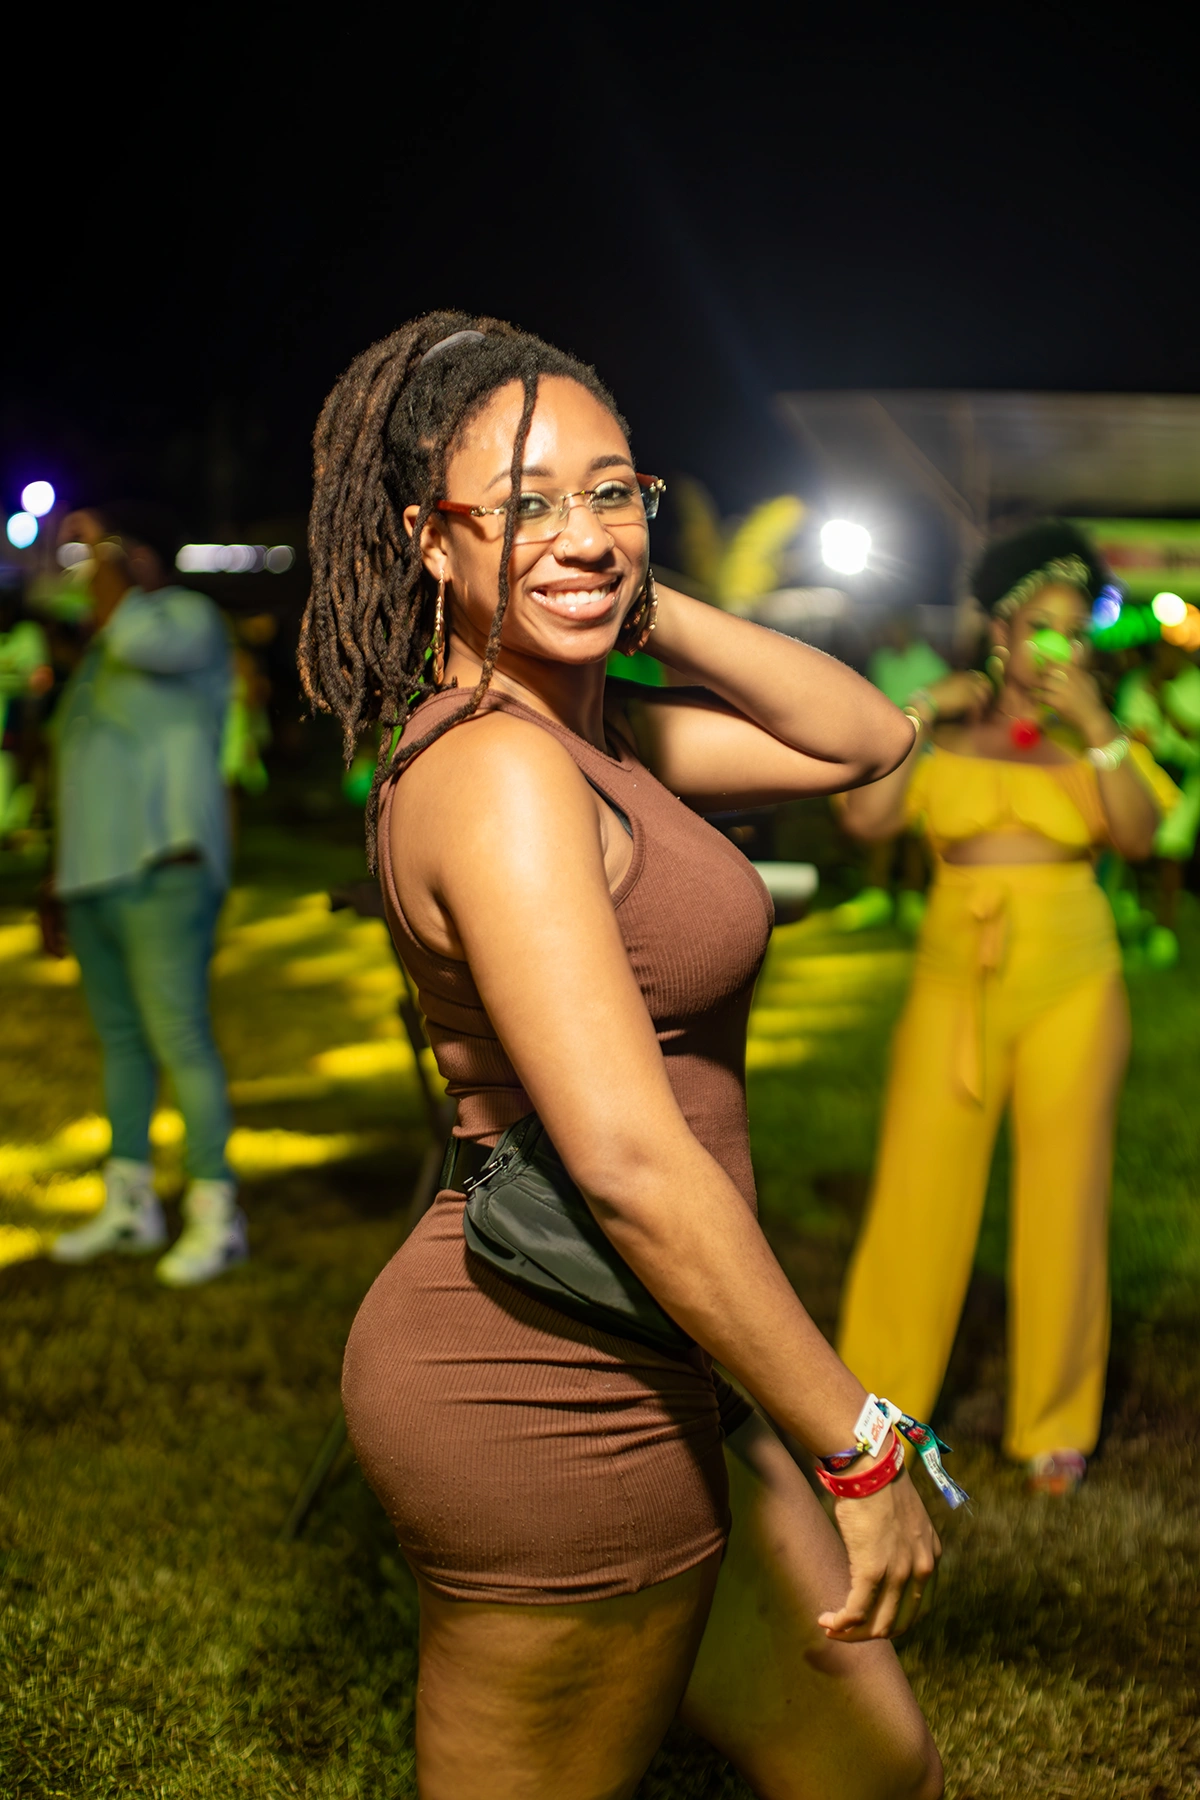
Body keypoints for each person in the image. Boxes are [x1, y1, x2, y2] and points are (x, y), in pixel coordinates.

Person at [299, 314, 947, 1800]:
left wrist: (627, 594)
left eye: (611, 492)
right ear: (429, 540)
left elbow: (866, 740)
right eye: (522, 503)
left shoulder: (602, 739)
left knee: (873, 1770)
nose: (582, 531)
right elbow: (630, 1163)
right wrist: (857, 1445)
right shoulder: (497, 773)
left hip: (672, 1340)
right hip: (542, 1373)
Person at [836, 521, 1176, 1497]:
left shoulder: (1100, 740)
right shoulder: (946, 730)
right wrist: (916, 710)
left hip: (1074, 977)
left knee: (1065, 1196)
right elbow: (865, 817)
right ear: (1000, 634)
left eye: (1075, 631)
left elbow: (1142, 838)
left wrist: (1101, 729)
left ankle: (1054, 1423)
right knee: (917, 1192)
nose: (1060, 648)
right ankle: (877, 1414)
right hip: (956, 977)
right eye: (1041, 628)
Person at [46, 502, 245, 1287]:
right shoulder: (102, 642)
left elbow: (133, 636)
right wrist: (58, 881)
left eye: (111, 551)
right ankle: (130, 1205)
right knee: (122, 1043)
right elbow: (76, 760)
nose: (94, 568)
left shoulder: (185, 618)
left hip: (166, 862)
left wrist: (105, 557)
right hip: (93, 874)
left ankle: (216, 1213)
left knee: (180, 1037)